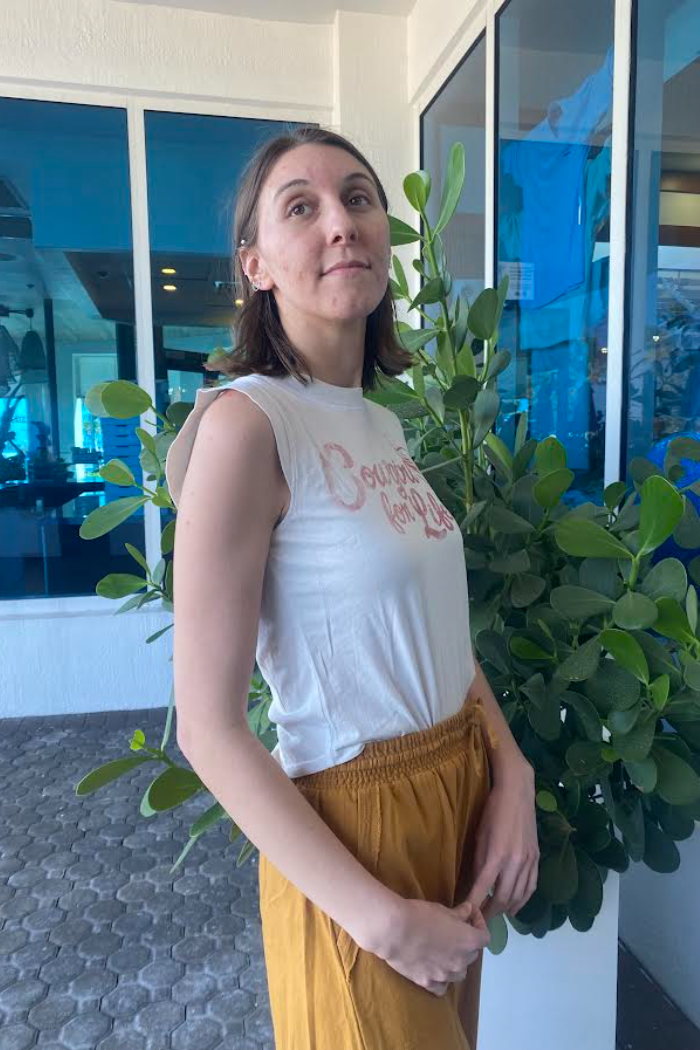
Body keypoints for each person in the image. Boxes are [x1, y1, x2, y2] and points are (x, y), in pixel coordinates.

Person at [165, 123, 539, 1050]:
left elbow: (437, 633)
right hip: (357, 835)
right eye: (302, 207)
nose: (341, 222)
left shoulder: (381, 423)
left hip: (456, 792)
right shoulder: (247, 428)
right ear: (256, 265)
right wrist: (379, 920)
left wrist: (512, 771)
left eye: (359, 198)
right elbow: (207, 728)